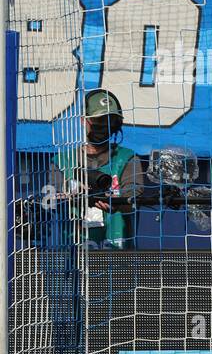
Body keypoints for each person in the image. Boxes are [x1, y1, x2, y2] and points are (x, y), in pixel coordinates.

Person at [50, 89, 143, 250]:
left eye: (109, 122)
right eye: (99, 121)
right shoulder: (61, 161)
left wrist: (114, 202)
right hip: (75, 254)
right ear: (82, 120)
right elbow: (53, 200)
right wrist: (76, 195)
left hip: (119, 254)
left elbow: (134, 197)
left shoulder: (127, 158)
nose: (104, 127)